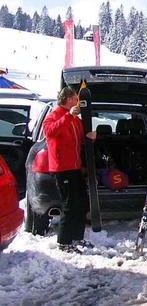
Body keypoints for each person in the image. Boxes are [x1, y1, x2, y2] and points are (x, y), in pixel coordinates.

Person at [43, 86, 96, 254]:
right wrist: (68, 115)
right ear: (68, 100)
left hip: (75, 167)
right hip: (61, 168)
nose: (78, 102)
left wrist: (91, 138)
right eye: (75, 98)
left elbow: (81, 139)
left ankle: (77, 237)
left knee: (81, 203)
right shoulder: (55, 116)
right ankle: (64, 242)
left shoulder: (75, 120)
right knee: (70, 205)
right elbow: (50, 132)